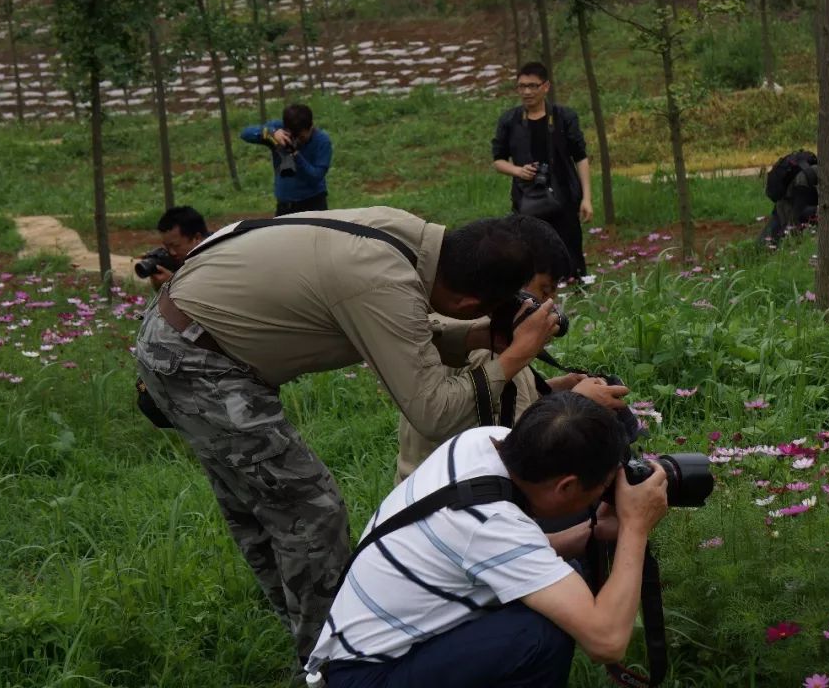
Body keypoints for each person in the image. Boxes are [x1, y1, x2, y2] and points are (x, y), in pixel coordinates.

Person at [134, 207, 562, 663]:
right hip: (197, 360)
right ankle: (338, 660)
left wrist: (479, 336)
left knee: (268, 509)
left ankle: (315, 639)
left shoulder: (407, 238)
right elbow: (434, 413)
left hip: (186, 334)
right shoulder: (381, 280)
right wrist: (515, 356)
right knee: (310, 512)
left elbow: (405, 325)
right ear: (468, 302)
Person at [308, 391, 669, 688]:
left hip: (368, 647)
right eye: (605, 486)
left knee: (562, 580)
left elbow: (496, 555)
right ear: (567, 485)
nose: (606, 495)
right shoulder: (488, 524)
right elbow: (607, 641)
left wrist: (591, 532)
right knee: (540, 634)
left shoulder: (481, 441)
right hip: (367, 677)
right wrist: (635, 528)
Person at [395, 215, 627, 482]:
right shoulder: (488, 349)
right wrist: (577, 404)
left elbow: (490, 405)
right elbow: (519, 453)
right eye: (545, 291)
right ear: (514, 288)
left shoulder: (476, 329)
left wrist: (553, 389)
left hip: (425, 484)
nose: (551, 306)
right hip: (453, 499)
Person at [492, 62, 592, 280]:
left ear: (546, 87)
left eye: (532, 86)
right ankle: (538, 297)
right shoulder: (509, 120)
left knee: (571, 249)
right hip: (527, 198)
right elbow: (498, 160)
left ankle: (577, 291)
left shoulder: (564, 117)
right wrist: (518, 171)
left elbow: (581, 157)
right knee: (531, 250)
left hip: (564, 195)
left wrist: (587, 198)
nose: (527, 92)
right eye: (521, 86)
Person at [241, 103, 332, 216]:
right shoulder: (278, 130)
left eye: (302, 137)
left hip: (313, 204)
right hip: (285, 206)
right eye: (293, 137)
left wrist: (297, 156)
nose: (297, 141)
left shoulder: (322, 142)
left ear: (311, 126)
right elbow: (245, 134)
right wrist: (271, 133)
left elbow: (316, 176)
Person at [759, 154, 829, 247]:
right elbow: (800, 214)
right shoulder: (806, 178)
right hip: (787, 212)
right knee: (768, 244)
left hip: (809, 214)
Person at [144, 205, 210, 290]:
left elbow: (204, 295)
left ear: (197, 238)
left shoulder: (216, 259)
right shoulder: (186, 256)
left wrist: (173, 283)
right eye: (167, 246)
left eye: (176, 246)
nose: (172, 252)